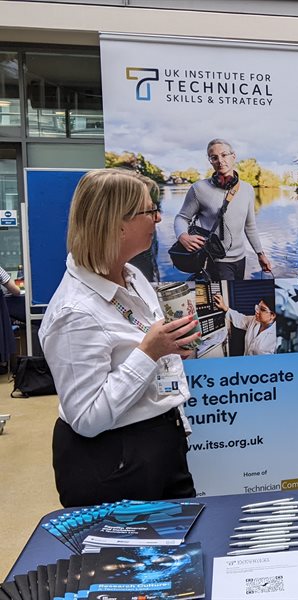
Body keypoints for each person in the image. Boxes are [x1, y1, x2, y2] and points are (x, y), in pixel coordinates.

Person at [39, 169, 201, 507]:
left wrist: (169, 349)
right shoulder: (75, 312)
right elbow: (86, 418)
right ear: (117, 223)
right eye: (148, 211)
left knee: (184, 546)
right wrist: (149, 353)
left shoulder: (132, 276)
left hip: (162, 442)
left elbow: (141, 348)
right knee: (128, 559)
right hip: (113, 463)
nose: (158, 218)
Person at [174, 138, 272, 280]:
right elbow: (182, 217)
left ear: (234, 156)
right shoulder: (199, 189)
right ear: (210, 161)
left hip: (241, 259)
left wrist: (260, 254)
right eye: (214, 157)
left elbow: (250, 226)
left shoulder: (247, 189)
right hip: (216, 262)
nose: (220, 160)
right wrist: (182, 236)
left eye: (224, 155)